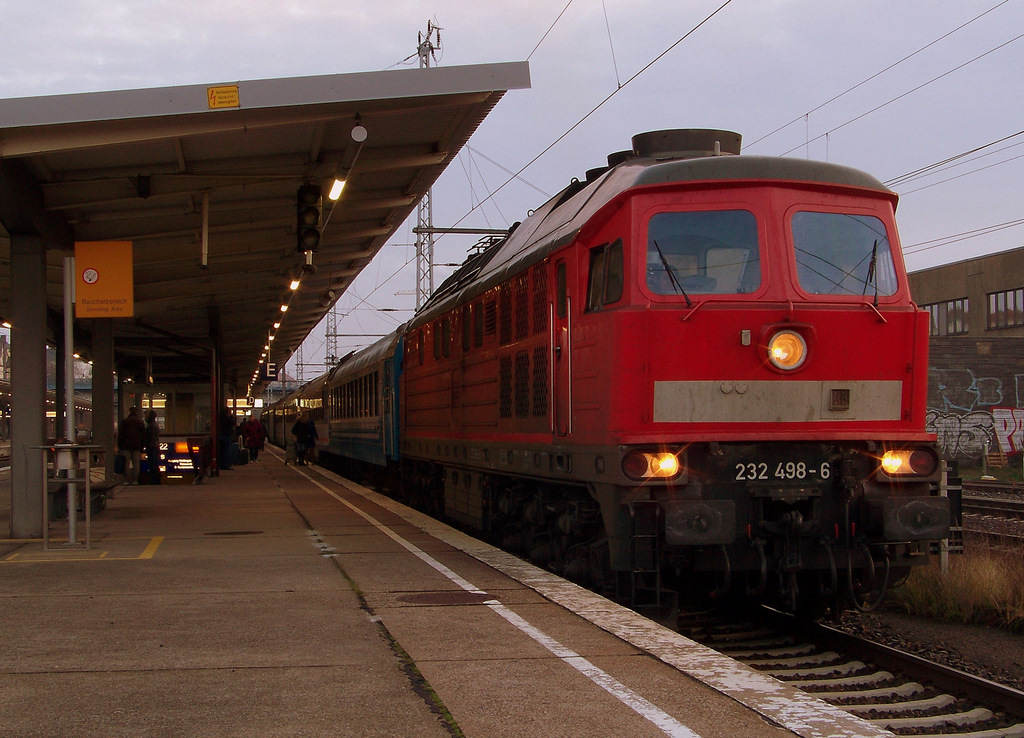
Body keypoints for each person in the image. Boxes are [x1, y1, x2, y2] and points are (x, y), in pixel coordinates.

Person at [117, 406, 146, 485]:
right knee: (136, 463)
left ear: (129, 412)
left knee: (126, 463)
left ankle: (126, 480)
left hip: (126, 446)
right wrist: (142, 446)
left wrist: (119, 446)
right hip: (136, 446)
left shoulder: (125, 422)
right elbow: (143, 435)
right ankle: (135, 480)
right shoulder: (140, 422)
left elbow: (121, 435)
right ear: (136, 412)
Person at [144, 410, 161, 485]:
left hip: (152, 447)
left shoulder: (151, 426)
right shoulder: (154, 425)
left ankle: (154, 480)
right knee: (154, 463)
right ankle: (155, 480)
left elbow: (151, 437)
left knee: (152, 464)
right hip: (154, 446)